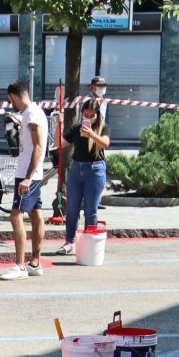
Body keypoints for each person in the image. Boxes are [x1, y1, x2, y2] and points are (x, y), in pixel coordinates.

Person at [0, 82, 49, 282]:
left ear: (14, 96)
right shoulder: (32, 113)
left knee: (15, 216)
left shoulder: (32, 114)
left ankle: (20, 265)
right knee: (36, 215)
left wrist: (28, 177)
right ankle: (35, 263)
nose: (9, 103)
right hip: (31, 173)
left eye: (9, 99)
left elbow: (38, 146)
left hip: (28, 174)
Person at [57, 97, 110, 254]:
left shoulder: (103, 127)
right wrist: (58, 126)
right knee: (72, 208)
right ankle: (69, 241)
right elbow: (60, 143)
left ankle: (89, 243)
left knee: (90, 209)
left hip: (95, 170)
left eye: (91, 115)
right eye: (85, 114)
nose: (88, 118)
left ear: (97, 114)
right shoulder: (76, 128)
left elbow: (105, 144)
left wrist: (92, 134)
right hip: (76, 170)